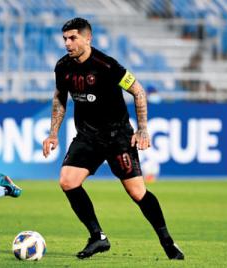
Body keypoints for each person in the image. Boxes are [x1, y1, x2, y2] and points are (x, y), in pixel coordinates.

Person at [42, 18, 184, 260]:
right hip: (87, 136)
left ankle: (167, 241)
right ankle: (97, 237)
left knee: (138, 193)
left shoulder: (107, 65)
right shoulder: (62, 67)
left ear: (88, 38)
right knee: (68, 181)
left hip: (117, 137)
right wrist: (53, 132)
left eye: (73, 38)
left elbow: (138, 91)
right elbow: (60, 97)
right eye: (65, 38)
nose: (67, 43)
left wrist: (142, 130)